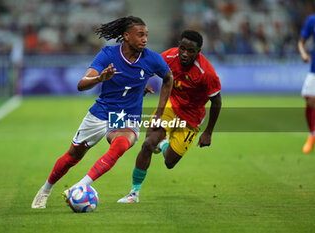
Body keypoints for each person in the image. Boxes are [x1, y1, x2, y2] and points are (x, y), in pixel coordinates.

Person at [31, 16, 173, 208]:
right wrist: (100, 78)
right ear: (126, 36)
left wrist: (159, 110)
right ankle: (45, 189)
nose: (145, 39)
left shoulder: (152, 59)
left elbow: (168, 78)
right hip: (101, 113)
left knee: (120, 145)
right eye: (140, 35)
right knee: (73, 156)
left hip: (126, 116)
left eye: (146, 35)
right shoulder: (108, 54)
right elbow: (81, 85)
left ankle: (80, 186)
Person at [117, 30, 221, 203]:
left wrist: (208, 132)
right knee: (148, 144)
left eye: (191, 51)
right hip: (170, 106)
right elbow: (146, 69)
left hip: (191, 117)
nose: (185, 54)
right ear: (178, 45)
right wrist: (142, 84)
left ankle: (164, 144)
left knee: (169, 162)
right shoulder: (169, 56)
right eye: (182, 48)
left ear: (198, 52)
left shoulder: (206, 73)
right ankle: (134, 193)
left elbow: (216, 102)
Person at [298, 14, 315, 154]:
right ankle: (312, 135)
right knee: (309, 100)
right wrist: (303, 54)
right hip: (314, 68)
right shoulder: (312, 20)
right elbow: (301, 41)